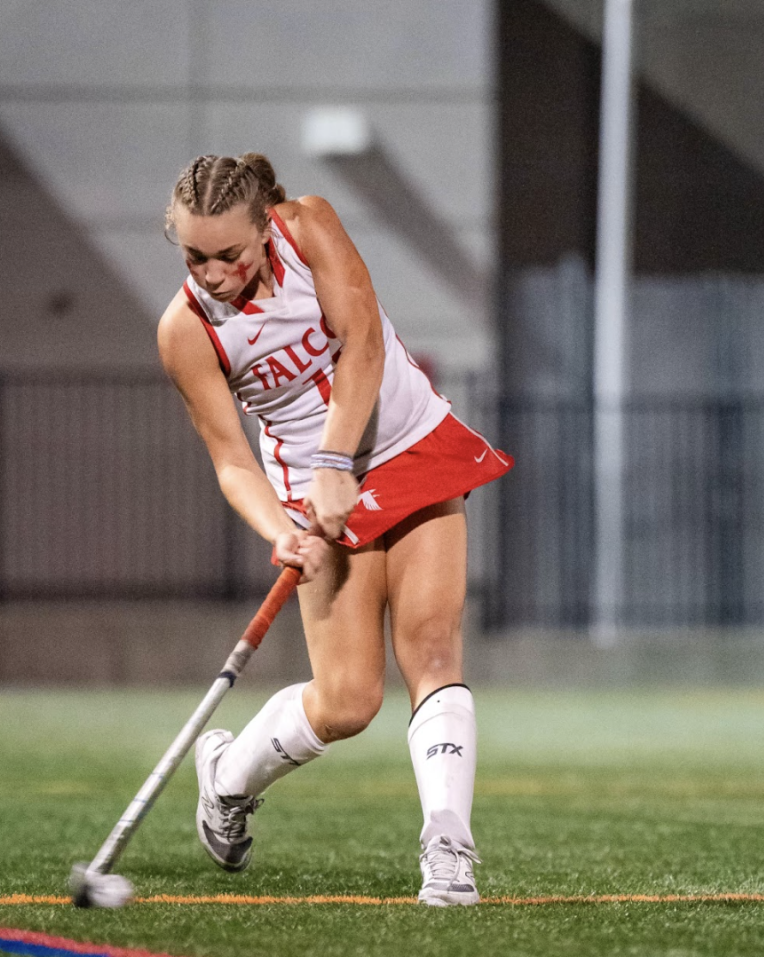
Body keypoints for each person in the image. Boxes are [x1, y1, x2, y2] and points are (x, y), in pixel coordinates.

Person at [157, 153, 513, 906]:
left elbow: (366, 345)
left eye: (230, 254)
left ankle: (448, 845)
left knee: (434, 645)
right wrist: (277, 529)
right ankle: (225, 776)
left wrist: (334, 456)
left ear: (265, 227)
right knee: (349, 699)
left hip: (408, 443)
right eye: (195, 256)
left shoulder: (310, 225)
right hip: (312, 497)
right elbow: (230, 459)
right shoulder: (185, 331)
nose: (214, 273)